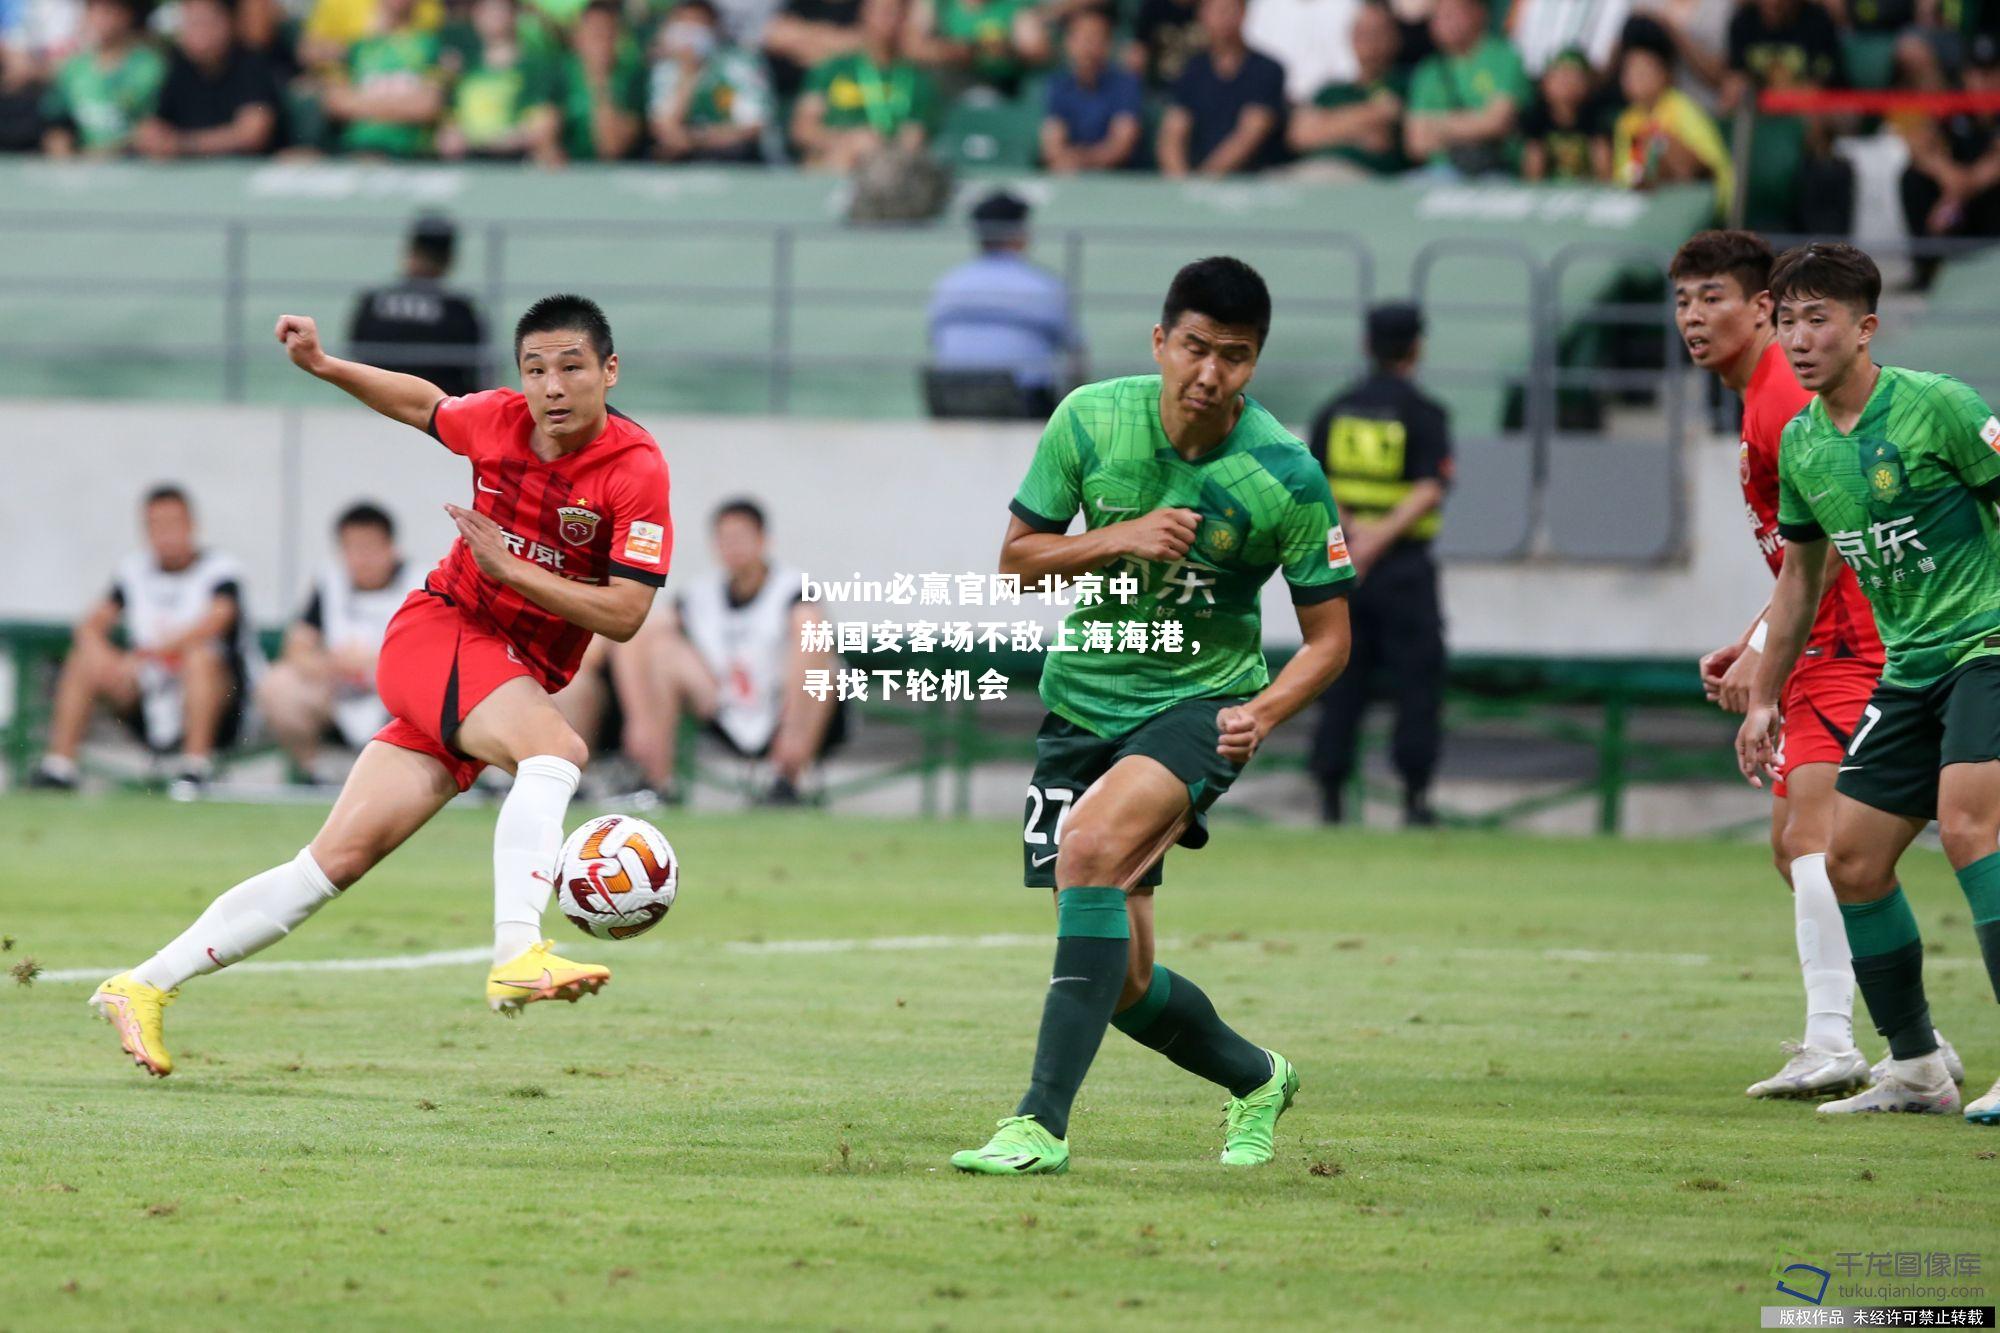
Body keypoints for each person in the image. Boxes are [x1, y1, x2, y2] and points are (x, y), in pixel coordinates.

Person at [87, 294, 673, 1078]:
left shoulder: (635, 473)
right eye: (535, 369)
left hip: (499, 671)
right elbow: (423, 403)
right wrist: (324, 365)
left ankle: (141, 985)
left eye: (571, 366)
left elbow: (628, 614)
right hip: (442, 632)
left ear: (609, 369)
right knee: (556, 747)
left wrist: (512, 567)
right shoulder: (498, 422)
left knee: (328, 866)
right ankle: (518, 950)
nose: (552, 386)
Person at [950, 257, 1356, 1176]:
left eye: (1238, 357)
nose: (1212, 374)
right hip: (1081, 701)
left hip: (1201, 703)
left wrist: (1264, 709)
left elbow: (1330, 640)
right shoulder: (1090, 417)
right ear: (1161, 341)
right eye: (1197, 348)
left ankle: (1038, 1124)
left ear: (1257, 363)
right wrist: (1119, 536)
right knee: (1122, 981)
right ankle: (1258, 1076)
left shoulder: (1284, 472)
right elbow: (1016, 559)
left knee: (1088, 847)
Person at [1674, 231, 1951, 1100]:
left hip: (1857, 643)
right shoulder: (1763, 399)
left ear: (1762, 309)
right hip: (1829, 639)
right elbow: (1798, 556)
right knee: (1798, 845)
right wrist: (1757, 640)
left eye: (1713, 298)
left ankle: (1848, 1039)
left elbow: (1828, 550)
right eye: (1682, 300)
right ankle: (1909, 1039)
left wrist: (1766, 654)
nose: (1693, 317)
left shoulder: (1777, 404)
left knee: (1818, 845)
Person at [1735, 241, 2000, 1124]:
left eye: (1819, 319)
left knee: (1969, 826)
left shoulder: (1940, 407)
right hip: (1910, 664)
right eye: (1788, 321)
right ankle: (1919, 1066)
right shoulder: (1805, 444)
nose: (1800, 338)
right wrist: (1766, 692)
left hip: (1987, 645)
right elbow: (1800, 581)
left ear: (1865, 327)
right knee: (1849, 860)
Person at [565, 498, 842, 803]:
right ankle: (656, 782)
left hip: (786, 706)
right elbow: (641, 629)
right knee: (659, 650)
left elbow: (813, 637)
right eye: (725, 539)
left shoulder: (793, 589)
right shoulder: (701, 594)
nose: (732, 547)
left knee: (818, 651)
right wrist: (638, 717)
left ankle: (787, 776)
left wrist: (793, 715)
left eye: (741, 537)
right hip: (725, 703)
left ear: (764, 541)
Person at [1306, 301, 1450, 827]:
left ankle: (1330, 803)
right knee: (1417, 683)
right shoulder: (1424, 413)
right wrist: (1379, 541)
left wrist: (1352, 541)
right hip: (1404, 570)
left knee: (1338, 676)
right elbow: (1427, 490)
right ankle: (1415, 801)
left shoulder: (1334, 410)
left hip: (1342, 568)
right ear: (1416, 348)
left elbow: (1316, 484)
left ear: (1367, 346)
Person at [30, 486, 256, 793]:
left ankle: (195, 768)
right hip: (148, 694)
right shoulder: (133, 570)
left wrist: (152, 652)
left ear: (192, 526)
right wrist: (103, 656)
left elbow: (216, 621)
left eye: (174, 524)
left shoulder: (222, 570)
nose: (166, 535)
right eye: (156, 525)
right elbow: (90, 625)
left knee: (199, 658)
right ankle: (59, 767)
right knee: (84, 659)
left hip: (221, 705)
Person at [257, 503, 423, 783]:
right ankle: (314, 771)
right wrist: (331, 665)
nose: (363, 558)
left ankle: (410, 776)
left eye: (371, 548)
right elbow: (297, 647)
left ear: (391, 547)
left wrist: (378, 663)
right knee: (279, 685)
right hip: (337, 695)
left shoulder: (422, 583)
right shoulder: (328, 582)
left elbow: (431, 653)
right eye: (353, 549)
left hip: (396, 700)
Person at [927, 189, 1080, 416]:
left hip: (951, 397)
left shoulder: (948, 284)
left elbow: (935, 340)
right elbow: (1076, 352)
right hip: (1020, 402)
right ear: (1020, 232)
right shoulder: (1042, 285)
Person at [1898, 33, 2000, 291]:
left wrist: (1955, 195)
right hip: (1956, 203)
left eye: (1992, 72)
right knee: (1912, 178)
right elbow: (1920, 146)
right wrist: (1947, 176)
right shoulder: (1953, 102)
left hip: (1984, 203)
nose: (1984, 81)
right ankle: (1928, 271)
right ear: (1966, 75)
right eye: (1977, 72)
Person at [347, 214, 488, 399]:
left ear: (410, 250)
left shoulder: (374, 301)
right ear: (449, 258)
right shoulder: (459, 308)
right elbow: (478, 370)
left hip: (380, 403)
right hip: (441, 410)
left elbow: (356, 357)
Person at [791, 0, 935, 171]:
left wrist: (873, 146)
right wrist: (847, 141)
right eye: (882, 12)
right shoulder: (832, 68)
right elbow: (803, 130)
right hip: (831, 159)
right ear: (864, 14)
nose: (889, 21)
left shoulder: (916, 79)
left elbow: (912, 142)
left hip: (884, 169)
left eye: (896, 13)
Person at [130, 0, 281, 158]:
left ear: (230, 22)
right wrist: (151, 136)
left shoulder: (251, 63)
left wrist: (184, 144)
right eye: (190, 23)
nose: (199, 32)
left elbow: (253, 134)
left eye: (205, 22)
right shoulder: (177, 64)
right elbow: (156, 123)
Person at [1611, 16, 1732, 211]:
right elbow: (1625, 177)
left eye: (1644, 70)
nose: (1637, 79)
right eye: (1630, 71)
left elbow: (1705, 169)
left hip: (1704, 205)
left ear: (1666, 74)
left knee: (1660, 142)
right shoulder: (1626, 120)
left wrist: (1659, 144)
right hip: (1650, 209)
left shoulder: (1683, 108)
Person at [1156, 0, 1287, 177]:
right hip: (1195, 181)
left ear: (1243, 14)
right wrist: (1180, 181)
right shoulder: (1192, 70)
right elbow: (1173, 133)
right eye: (1216, 10)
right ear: (1202, 15)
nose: (1223, 18)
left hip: (1255, 181)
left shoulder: (1267, 69)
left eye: (1230, 10)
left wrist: (1204, 180)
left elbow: (1249, 135)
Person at [1402, 0, 1531, 176]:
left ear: (1479, 13)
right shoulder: (1429, 71)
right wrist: (1476, 122)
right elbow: (1416, 143)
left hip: (1495, 171)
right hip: (1441, 171)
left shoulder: (1503, 56)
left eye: (1453, 13)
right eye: (1438, 16)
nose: (1445, 21)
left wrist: (1436, 126)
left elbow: (1497, 123)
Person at [1286, 0, 1407, 179]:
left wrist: (1326, 124)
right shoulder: (1329, 91)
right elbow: (1300, 136)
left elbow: (1385, 136)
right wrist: (1365, 125)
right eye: (1362, 33)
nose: (1368, 42)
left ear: (1395, 38)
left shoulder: (1403, 84)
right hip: (1310, 173)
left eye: (1376, 33)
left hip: (1363, 179)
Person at [435, 0, 564, 164]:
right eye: (486, 9)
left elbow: (543, 127)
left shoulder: (537, 67)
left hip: (517, 165)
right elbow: (448, 126)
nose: (493, 16)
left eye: (500, 9)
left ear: (515, 15)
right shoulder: (463, 68)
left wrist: (488, 142)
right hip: (469, 165)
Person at [647, 0, 773, 163]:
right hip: (684, 155)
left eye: (697, 24)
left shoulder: (740, 63)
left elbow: (752, 126)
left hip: (733, 156)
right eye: (684, 23)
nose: (689, 33)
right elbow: (664, 128)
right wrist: (689, 75)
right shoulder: (666, 68)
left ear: (714, 29)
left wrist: (697, 139)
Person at [322, 0, 448, 158]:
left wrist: (361, 102)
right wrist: (403, 104)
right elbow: (336, 103)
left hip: (411, 155)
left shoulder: (431, 45)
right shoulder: (355, 48)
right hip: (357, 152)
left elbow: (428, 106)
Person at [38, 0, 163, 158]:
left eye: (109, 11)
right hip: (83, 172)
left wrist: (100, 155)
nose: (101, 19)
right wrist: (62, 151)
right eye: (94, 10)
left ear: (127, 16)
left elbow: (154, 130)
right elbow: (55, 120)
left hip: (134, 167)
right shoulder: (74, 67)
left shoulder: (149, 67)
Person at [1040, 6, 1141, 173]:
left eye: (1096, 38)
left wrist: (1081, 160)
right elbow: (1052, 143)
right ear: (1068, 43)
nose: (1088, 47)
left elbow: (1121, 145)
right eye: (1083, 38)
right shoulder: (1059, 84)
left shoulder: (1126, 84)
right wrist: (1066, 160)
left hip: (1115, 178)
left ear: (1108, 44)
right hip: (1070, 173)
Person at [546, 0, 646, 161]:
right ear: (578, 38)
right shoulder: (561, 72)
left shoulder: (632, 76)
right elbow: (545, 137)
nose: (602, 43)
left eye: (609, 34)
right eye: (595, 34)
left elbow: (611, 148)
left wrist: (600, 83)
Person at [900, 0, 1050, 96]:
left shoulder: (1015, 6)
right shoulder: (937, 4)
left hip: (1000, 87)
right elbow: (911, 46)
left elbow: (1037, 50)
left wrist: (1003, 50)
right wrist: (952, 51)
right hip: (946, 86)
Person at [1519, 46, 1608, 183]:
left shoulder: (1598, 119)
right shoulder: (1536, 119)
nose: (1566, 83)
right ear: (1545, 83)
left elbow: (1604, 173)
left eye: (1574, 76)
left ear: (1588, 84)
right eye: (1560, 76)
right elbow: (1532, 176)